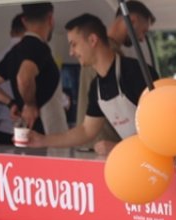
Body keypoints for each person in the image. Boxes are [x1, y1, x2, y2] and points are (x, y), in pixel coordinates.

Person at [26, 14, 152, 155]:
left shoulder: (136, 72)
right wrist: (42, 140)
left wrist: (119, 147)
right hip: (134, 160)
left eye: (74, 44)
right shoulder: (96, 87)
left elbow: (160, 127)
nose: (71, 52)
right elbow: (86, 130)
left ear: (92, 40)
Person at [77, 1, 156, 149]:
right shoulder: (109, 57)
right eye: (143, 31)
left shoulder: (97, 52)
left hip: (95, 143)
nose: (141, 39)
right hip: (104, 145)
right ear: (131, 20)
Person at [0, 3, 65, 136]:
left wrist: (12, 103)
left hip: (22, 130)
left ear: (24, 21)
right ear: (50, 18)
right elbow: (24, 77)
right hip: (40, 131)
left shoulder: (15, 51)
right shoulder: (38, 47)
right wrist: (29, 105)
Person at [0, 14, 26, 145]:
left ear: (11, 32)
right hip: (26, 131)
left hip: (5, 130)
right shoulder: (27, 55)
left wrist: (11, 103)